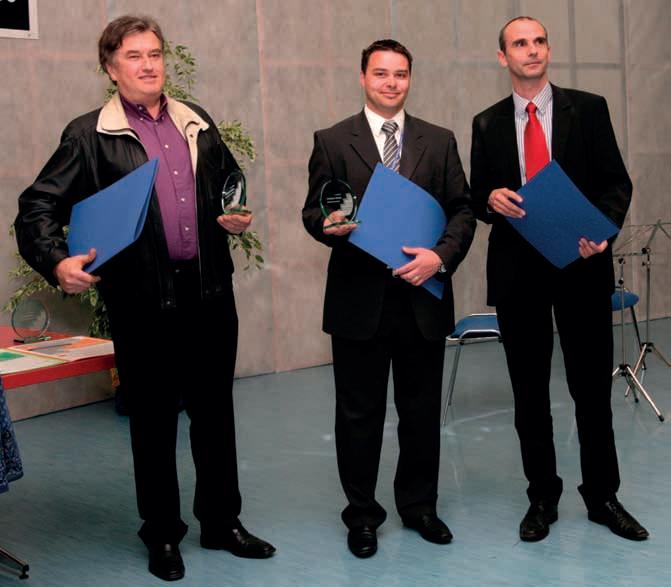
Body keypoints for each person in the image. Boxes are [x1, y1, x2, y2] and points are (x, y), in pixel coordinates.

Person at [15, 14, 275, 582]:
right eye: (133, 56)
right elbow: (36, 207)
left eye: (155, 53)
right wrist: (56, 260)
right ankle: (162, 534)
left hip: (209, 293)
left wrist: (235, 213)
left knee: (215, 415)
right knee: (153, 423)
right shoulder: (89, 134)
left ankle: (221, 522)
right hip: (142, 302)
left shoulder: (196, 120)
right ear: (110, 69)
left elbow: (229, 184)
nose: (149, 65)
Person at [470, 16, 648, 542]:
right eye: (520, 43)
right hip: (518, 272)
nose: (532, 50)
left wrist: (602, 232)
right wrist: (490, 199)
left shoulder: (589, 109)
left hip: (580, 265)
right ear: (503, 57)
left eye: (539, 41)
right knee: (528, 395)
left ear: (548, 50)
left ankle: (603, 497)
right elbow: (478, 195)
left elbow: (616, 184)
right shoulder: (486, 123)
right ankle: (542, 497)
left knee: (591, 391)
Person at [302, 39, 475, 558]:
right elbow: (313, 211)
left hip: (423, 296)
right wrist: (327, 225)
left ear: (410, 79)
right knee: (358, 415)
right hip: (359, 302)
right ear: (363, 78)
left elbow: (463, 210)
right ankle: (362, 515)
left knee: (421, 412)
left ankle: (420, 506)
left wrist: (439, 257)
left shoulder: (439, 141)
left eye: (400, 74)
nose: (391, 82)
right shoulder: (333, 140)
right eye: (381, 73)